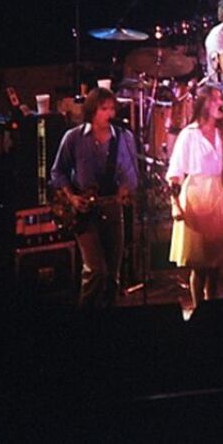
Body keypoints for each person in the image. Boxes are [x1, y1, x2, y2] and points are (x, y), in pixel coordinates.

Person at [51, 88, 138, 310]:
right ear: (92, 111)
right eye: (103, 109)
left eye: (111, 108)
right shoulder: (74, 138)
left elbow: (132, 174)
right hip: (84, 211)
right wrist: (71, 197)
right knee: (95, 271)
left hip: (112, 209)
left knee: (112, 276)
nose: (109, 113)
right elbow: (57, 172)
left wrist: (126, 189)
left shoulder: (124, 138)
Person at [167, 86, 223, 310]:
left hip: (218, 193)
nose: (220, 103)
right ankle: (198, 308)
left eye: (221, 99)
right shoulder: (189, 135)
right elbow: (175, 173)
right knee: (200, 264)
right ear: (203, 104)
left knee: (216, 264)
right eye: (215, 100)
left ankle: (213, 306)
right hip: (196, 195)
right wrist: (175, 205)